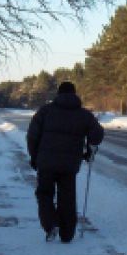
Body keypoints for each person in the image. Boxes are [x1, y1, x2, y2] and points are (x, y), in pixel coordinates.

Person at [27, 81, 104, 243]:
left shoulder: (45, 111)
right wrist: (89, 151)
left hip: (46, 162)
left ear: (58, 94)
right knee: (67, 197)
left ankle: (50, 224)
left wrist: (34, 157)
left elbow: (32, 136)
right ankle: (67, 234)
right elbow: (97, 133)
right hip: (70, 164)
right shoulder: (84, 114)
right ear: (75, 94)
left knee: (44, 194)